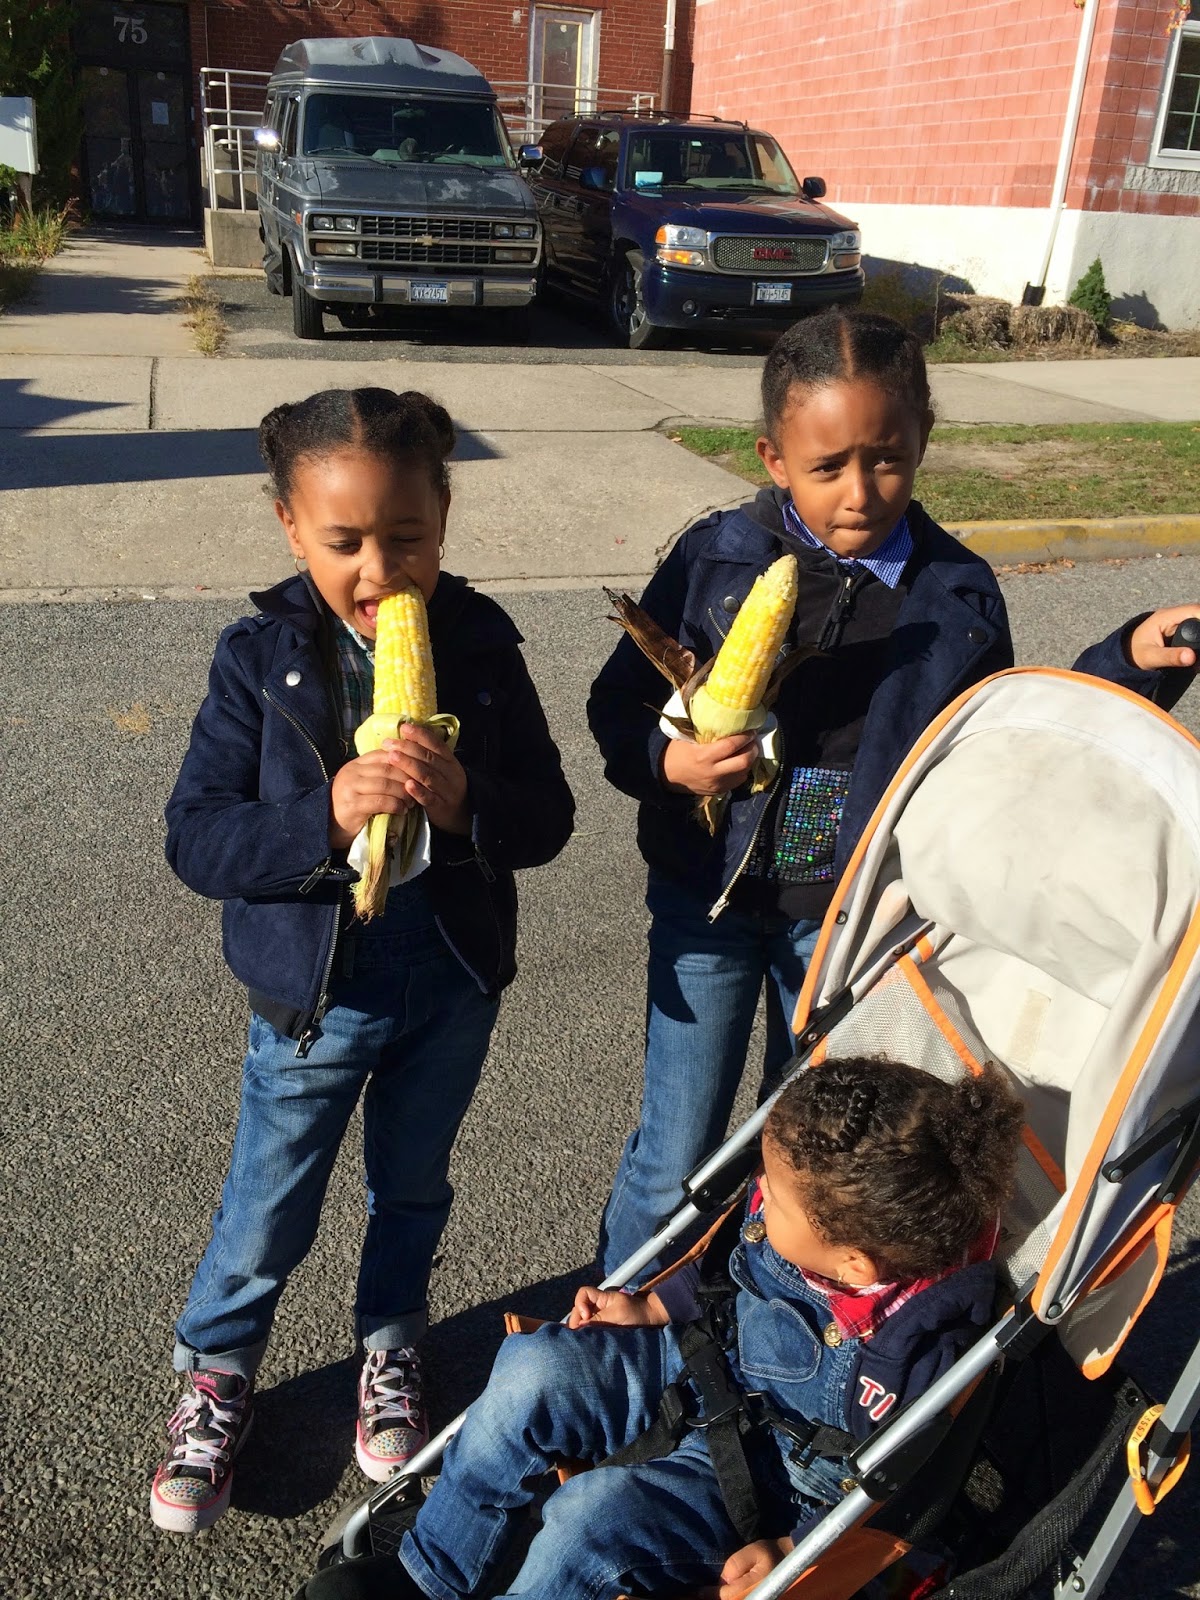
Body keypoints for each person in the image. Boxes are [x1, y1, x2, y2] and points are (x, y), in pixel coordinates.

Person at [587, 306, 1200, 1280]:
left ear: (923, 442)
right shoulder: (714, 558)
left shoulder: (957, 592)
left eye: (887, 461)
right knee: (677, 1147)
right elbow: (619, 701)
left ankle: (777, 1319)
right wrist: (667, 765)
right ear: (773, 457)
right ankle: (625, 1310)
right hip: (709, 899)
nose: (859, 492)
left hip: (851, 915)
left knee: (821, 1158)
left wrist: (1126, 658)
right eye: (827, 466)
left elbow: (1001, 748)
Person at [149, 387, 575, 1533]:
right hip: (315, 994)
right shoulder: (258, 658)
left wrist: (471, 803)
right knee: (268, 1204)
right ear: (291, 527)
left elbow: (549, 816)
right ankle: (217, 1373)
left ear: (445, 518)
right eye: (345, 542)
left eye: (408, 537)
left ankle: (390, 1343)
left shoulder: (482, 644)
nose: (381, 571)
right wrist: (324, 817)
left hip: (450, 975)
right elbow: (198, 837)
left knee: (413, 1185)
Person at [298, 1054, 1024, 1600]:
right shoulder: (814, 1211)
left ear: (853, 1266)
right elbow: (720, 1271)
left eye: (773, 1198)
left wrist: (795, 1550)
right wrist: (650, 1307)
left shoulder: (919, 1345)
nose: (758, 1196)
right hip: (699, 1359)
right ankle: (432, 1572)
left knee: (590, 1520)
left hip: (779, 1477)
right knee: (535, 1368)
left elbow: (902, 1490)